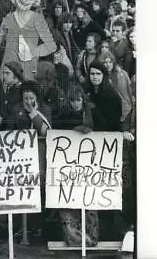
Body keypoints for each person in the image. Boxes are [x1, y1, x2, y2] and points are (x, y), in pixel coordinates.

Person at [0, 0, 56, 80]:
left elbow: (51, 46)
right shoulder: (8, 18)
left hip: (28, 71)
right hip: (7, 72)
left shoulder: (38, 19)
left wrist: (32, 53)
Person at [57, 84, 99, 247]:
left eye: (78, 100)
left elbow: (103, 127)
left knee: (89, 200)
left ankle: (91, 238)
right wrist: (75, 129)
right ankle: (74, 239)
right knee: (69, 201)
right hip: (68, 166)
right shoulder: (64, 114)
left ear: (83, 99)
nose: (76, 104)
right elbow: (57, 129)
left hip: (90, 165)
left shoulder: (92, 112)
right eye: (73, 101)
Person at [98, 51, 133, 124]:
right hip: (109, 114)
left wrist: (130, 105)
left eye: (110, 62)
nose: (108, 65)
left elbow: (130, 91)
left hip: (126, 110)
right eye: (105, 62)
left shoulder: (122, 74)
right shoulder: (99, 77)